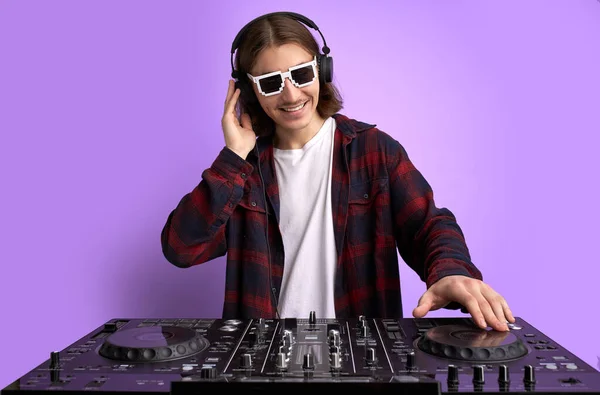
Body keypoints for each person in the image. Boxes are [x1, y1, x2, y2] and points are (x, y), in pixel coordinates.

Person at [161, 12, 514, 332]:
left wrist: (451, 271)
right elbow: (181, 248)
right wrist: (234, 155)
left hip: (361, 359)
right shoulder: (242, 172)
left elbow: (429, 224)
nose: (291, 93)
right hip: (263, 362)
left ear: (321, 69)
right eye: (271, 82)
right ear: (249, 91)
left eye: (301, 74)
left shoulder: (374, 150)